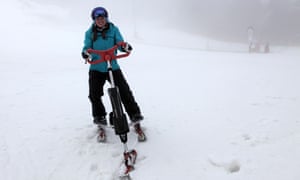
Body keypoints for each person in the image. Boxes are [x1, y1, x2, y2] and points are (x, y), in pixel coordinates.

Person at [81, 7, 144, 135]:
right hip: (97, 68)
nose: (100, 20)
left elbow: (120, 43)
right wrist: (86, 54)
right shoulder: (89, 33)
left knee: (124, 90)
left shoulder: (113, 30)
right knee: (94, 94)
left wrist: (125, 47)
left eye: (102, 18)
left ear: (106, 18)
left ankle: (134, 115)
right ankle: (100, 117)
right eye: (97, 18)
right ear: (94, 20)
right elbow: (87, 47)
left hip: (112, 66)